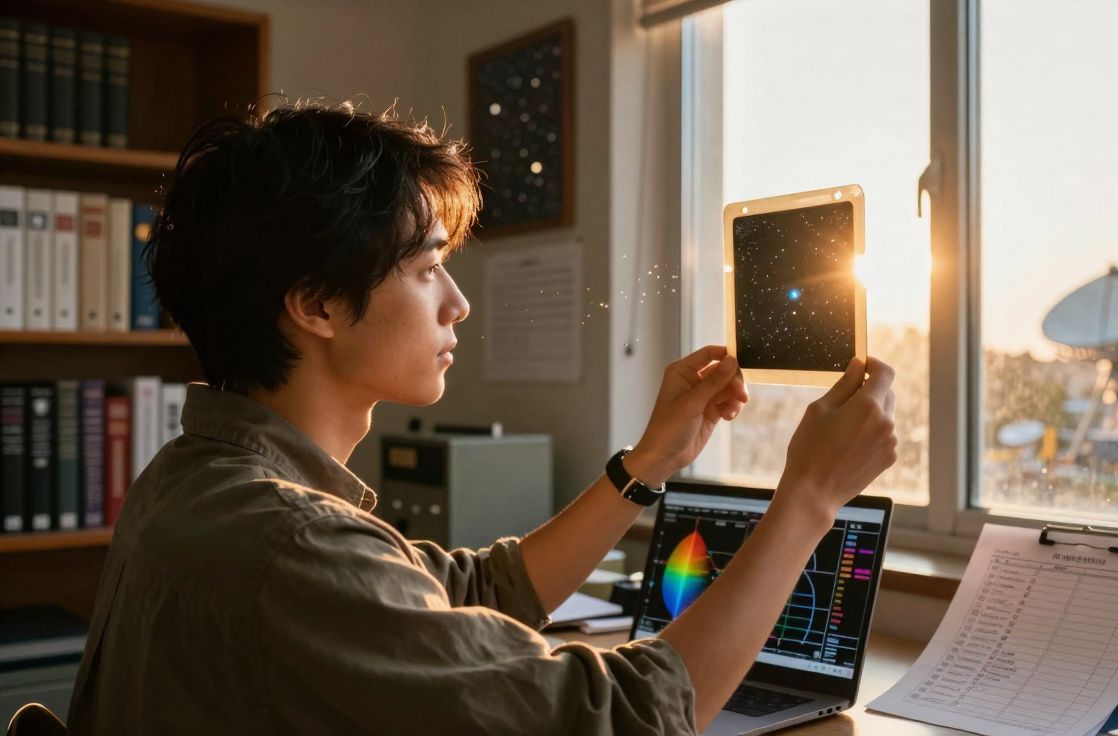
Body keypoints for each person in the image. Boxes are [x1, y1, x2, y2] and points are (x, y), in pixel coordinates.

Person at [66, 101, 898, 735]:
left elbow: (468, 593)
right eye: (428, 268)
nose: (458, 304)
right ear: (315, 304)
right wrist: (810, 501)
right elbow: (626, 718)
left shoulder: (199, 480)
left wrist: (645, 464)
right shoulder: (286, 540)